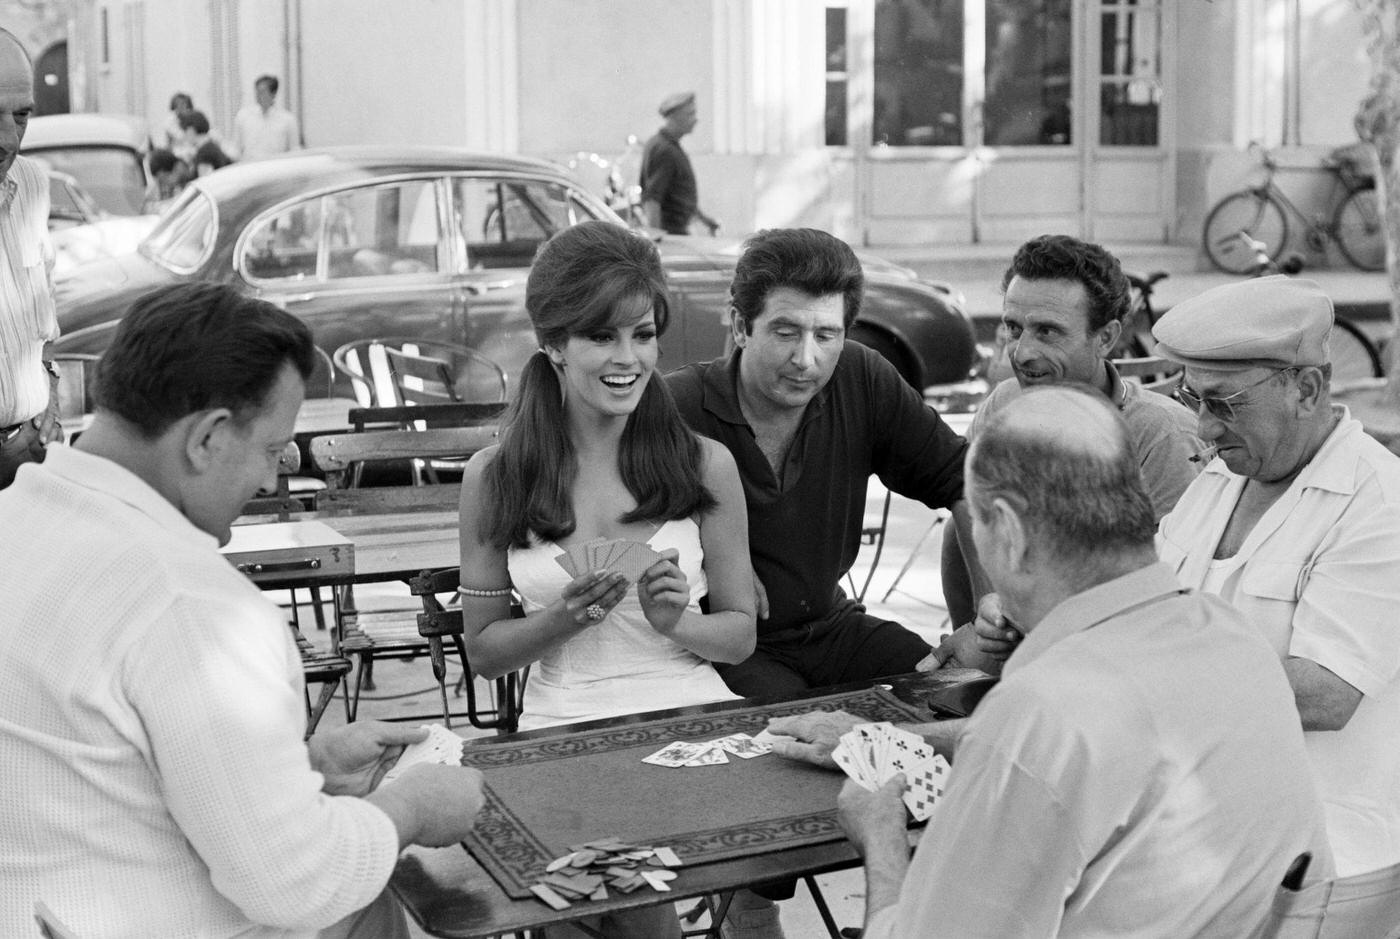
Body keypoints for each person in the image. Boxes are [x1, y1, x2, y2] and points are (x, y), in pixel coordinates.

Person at [0, 282, 485, 937]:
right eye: (268, 451)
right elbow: (296, 883)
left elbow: (104, 768)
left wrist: (300, 764)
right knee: (382, 902)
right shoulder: (191, 602)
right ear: (207, 438)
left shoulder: (17, 519)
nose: (268, 482)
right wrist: (410, 808)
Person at [794, 386, 1331, 937]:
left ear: (1008, 531)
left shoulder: (1042, 710)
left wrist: (879, 836)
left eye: (976, 524)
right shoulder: (1234, 639)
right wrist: (908, 739)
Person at [458, 220, 755, 938]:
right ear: (554, 343)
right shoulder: (493, 477)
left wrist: (676, 620)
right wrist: (561, 618)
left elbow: (741, 636)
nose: (630, 359)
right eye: (604, 337)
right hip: (562, 727)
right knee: (587, 895)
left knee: (623, 894)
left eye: (644, 335)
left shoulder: (704, 463)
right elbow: (484, 652)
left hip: (689, 723)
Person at [1150, 276, 1400, 877]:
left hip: (1319, 852)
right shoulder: (1224, 474)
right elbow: (1146, 603)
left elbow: (1324, 692)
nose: (1206, 428)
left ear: (1306, 390)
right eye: (1194, 400)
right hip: (1204, 820)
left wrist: (1140, 679)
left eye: (1226, 403)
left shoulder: (1380, 504)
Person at [667, 228, 971, 698]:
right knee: (785, 743)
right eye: (785, 332)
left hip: (834, 627)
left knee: (955, 694)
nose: (805, 359)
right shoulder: (678, 405)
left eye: (826, 335)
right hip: (727, 650)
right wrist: (711, 553)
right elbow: (591, 507)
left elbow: (969, 485)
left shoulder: (862, 376)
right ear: (740, 326)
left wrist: (985, 615)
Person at [939, 234, 1200, 627]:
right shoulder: (1005, 403)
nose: (1022, 353)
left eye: (1047, 332)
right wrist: (984, 614)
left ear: (1106, 338)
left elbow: (1171, 586)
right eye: (1013, 328)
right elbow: (969, 520)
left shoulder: (1161, 434)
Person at [0, 28, 61, 491]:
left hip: (30, 456)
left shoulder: (32, 184)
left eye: (21, 117)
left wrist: (50, 391)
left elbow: (44, 316)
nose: (9, 140)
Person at [639, 91, 719, 236]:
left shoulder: (670, 147)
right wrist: (656, 242)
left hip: (677, 233)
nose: (695, 120)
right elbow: (652, 200)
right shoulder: (664, 150)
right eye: (690, 114)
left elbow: (679, 194)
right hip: (671, 235)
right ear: (674, 117)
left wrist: (704, 219)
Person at [232, 74, 300, 161]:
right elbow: (236, 148)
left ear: (273, 94)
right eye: (257, 91)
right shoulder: (243, 116)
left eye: (262, 92)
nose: (258, 96)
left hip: (276, 168)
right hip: (249, 167)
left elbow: (294, 150)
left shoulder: (288, 119)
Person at [180, 109, 234, 177]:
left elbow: (204, 182)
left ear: (191, 129)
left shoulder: (204, 152)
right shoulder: (211, 146)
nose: (184, 135)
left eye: (185, 130)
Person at [162, 90, 195, 161]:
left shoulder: (193, 117)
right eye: (178, 104)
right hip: (177, 153)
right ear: (174, 106)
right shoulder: (170, 120)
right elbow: (180, 136)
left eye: (183, 103)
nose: (181, 106)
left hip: (192, 152)